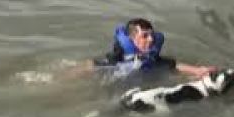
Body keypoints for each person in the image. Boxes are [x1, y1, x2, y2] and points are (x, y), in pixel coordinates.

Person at [66, 18, 218, 80]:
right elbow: (89, 66)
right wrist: (65, 79)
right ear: (132, 39)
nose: (151, 39)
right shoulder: (114, 59)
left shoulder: (150, 55)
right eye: (145, 36)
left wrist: (198, 71)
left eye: (151, 35)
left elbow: (170, 64)